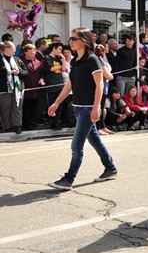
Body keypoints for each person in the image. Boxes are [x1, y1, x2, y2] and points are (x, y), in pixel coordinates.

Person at [48, 27, 118, 190]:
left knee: (76, 146)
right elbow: (70, 85)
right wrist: (56, 103)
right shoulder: (75, 61)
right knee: (94, 140)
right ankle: (110, 167)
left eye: (74, 39)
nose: (70, 42)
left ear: (84, 41)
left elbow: (100, 85)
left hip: (88, 108)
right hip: (78, 107)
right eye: (70, 38)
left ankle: (68, 179)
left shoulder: (92, 59)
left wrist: (96, 108)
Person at [1, 41, 27, 134]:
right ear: (6, 49)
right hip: (4, 89)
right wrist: (9, 72)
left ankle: (17, 126)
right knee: (5, 108)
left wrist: (19, 72)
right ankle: (7, 127)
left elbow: (25, 72)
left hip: (18, 88)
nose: (15, 50)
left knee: (17, 107)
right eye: (13, 48)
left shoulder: (17, 60)